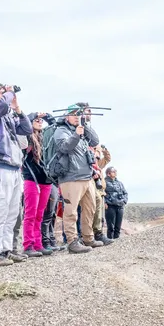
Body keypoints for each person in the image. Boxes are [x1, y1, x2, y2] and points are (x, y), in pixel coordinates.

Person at [0, 83, 33, 267]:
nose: (7, 96)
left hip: (15, 167)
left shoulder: (8, 117)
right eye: (2, 93)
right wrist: (9, 93)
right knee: (0, 209)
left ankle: (7, 249)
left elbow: (26, 129)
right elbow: (2, 106)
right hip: (0, 166)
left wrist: (17, 108)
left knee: (12, 212)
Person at [51, 105, 103, 254]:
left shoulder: (81, 129)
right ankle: (73, 241)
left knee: (90, 209)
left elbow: (95, 141)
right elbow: (64, 147)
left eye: (78, 114)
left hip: (87, 177)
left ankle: (88, 238)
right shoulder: (61, 130)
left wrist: (84, 123)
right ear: (66, 116)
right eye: (73, 114)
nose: (76, 116)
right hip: (70, 177)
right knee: (71, 212)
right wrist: (76, 135)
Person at [21, 112, 55, 257]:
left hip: (45, 181)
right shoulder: (27, 137)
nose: (40, 122)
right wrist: (34, 114)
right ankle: (28, 245)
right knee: (30, 214)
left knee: (40, 214)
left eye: (41, 120)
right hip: (31, 179)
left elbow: (54, 126)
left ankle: (38, 244)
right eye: (37, 120)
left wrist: (47, 116)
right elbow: (23, 122)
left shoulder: (45, 138)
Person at [91, 144, 114, 246]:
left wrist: (104, 149)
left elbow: (108, 158)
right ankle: (92, 234)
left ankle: (98, 233)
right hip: (91, 187)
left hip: (100, 189)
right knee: (91, 212)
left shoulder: (99, 163)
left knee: (99, 214)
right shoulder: (89, 160)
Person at [104, 166, 128, 240]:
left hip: (120, 206)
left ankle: (117, 242)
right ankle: (109, 241)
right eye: (113, 171)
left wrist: (124, 201)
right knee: (111, 227)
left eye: (115, 171)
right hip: (110, 206)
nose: (115, 172)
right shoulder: (104, 182)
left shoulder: (120, 183)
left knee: (118, 226)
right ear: (108, 173)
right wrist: (104, 202)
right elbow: (101, 193)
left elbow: (125, 193)